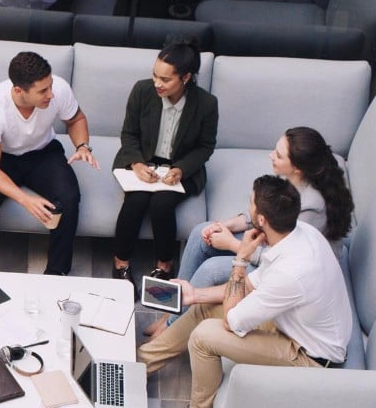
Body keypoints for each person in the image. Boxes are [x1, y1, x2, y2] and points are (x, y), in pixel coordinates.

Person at [141, 175, 351, 408]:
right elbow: (251, 286)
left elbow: (231, 320)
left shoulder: (291, 273)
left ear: (261, 220)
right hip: (295, 322)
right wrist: (194, 296)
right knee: (205, 308)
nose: (248, 206)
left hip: (311, 357)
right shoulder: (300, 234)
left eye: (251, 203)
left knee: (205, 336)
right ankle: (141, 364)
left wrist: (240, 260)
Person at [146, 126, 354, 336]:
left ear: (297, 167)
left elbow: (280, 258)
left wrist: (232, 244)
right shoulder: (293, 182)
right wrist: (227, 225)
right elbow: (263, 214)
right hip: (272, 244)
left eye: (279, 155)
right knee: (202, 232)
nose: (271, 155)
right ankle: (170, 309)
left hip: (290, 269)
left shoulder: (311, 209)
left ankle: (171, 327)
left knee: (211, 269)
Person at [0, 51, 99, 275]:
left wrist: (82, 146)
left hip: (42, 153)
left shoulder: (57, 89)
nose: (51, 94)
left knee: (69, 198)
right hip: (4, 158)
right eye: (43, 91)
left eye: (50, 86)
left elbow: (76, 119)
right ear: (19, 91)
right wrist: (26, 200)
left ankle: (56, 273)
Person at [111, 36, 219, 282]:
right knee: (136, 200)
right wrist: (137, 164)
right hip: (143, 161)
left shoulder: (206, 104)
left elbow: (205, 147)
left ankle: (165, 264)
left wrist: (181, 169)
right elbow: (129, 134)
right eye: (155, 76)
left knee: (162, 204)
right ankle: (121, 262)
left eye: (165, 79)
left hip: (177, 168)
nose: (157, 83)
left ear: (186, 78)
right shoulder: (142, 90)